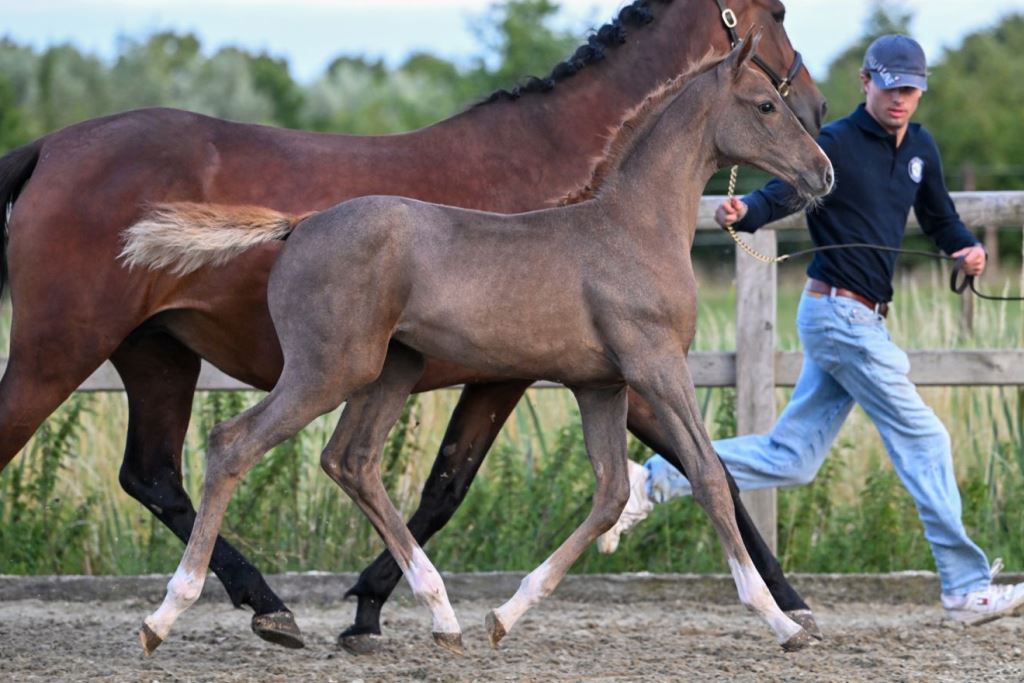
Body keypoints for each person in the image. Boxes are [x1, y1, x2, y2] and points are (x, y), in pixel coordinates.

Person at [597, 34, 1024, 625]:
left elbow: (938, 216)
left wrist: (965, 248)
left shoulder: (921, 147)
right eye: (891, 86)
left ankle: (654, 480)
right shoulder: (838, 143)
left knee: (792, 457)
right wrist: (748, 210)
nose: (901, 98)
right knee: (927, 441)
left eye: (911, 89)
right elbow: (785, 190)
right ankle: (965, 586)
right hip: (841, 318)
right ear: (866, 84)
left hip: (857, 318)